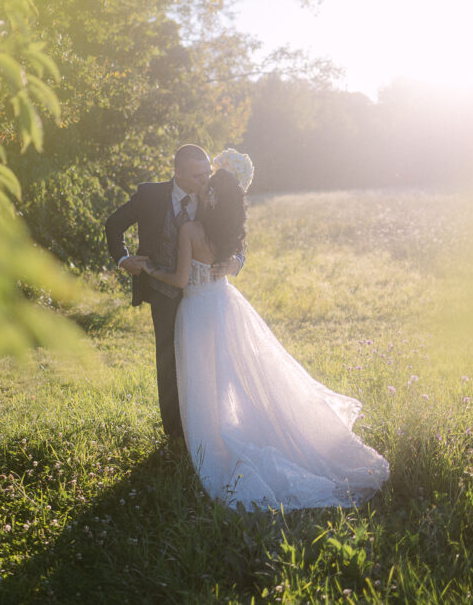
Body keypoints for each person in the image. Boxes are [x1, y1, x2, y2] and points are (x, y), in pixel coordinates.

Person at [133, 155, 390, 510]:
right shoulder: (226, 233)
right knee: (232, 373)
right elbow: (236, 253)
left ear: (209, 198)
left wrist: (147, 269)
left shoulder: (190, 231)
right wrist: (232, 262)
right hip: (224, 304)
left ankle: (210, 439)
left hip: (195, 310)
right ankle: (229, 431)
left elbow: (179, 279)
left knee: (203, 378)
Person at [105, 144, 243, 440]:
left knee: (208, 358)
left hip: (204, 295)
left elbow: (235, 232)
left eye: (207, 173)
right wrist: (123, 259)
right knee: (168, 359)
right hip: (163, 292)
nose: (204, 180)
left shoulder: (212, 195)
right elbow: (114, 224)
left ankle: (213, 422)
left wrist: (235, 262)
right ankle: (176, 433)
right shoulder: (150, 195)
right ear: (177, 172)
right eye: (196, 176)